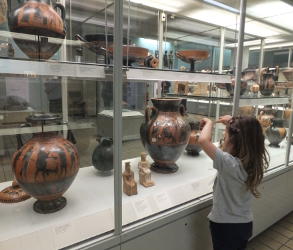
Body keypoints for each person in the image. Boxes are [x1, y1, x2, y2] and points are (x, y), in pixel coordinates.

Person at [198, 115, 270, 250]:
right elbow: (249, 132)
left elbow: (203, 140)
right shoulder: (253, 160)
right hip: (244, 223)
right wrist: (231, 122)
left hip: (225, 227)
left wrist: (209, 123)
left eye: (225, 138)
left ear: (235, 141)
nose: (223, 141)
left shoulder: (229, 164)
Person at [44, 78, 76, 144]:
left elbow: (47, 89)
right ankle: (69, 140)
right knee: (57, 122)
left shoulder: (56, 79)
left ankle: (70, 140)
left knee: (59, 122)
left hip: (57, 103)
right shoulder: (55, 79)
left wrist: (46, 81)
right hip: (54, 103)